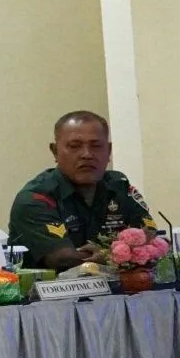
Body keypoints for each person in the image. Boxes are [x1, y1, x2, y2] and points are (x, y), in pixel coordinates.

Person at [8, 111, 156, 271]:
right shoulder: (35, 198)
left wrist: (107, 255)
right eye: (74, 146)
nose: (87, 154)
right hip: (53, 286)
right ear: (55, 151)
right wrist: (114, 255)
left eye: (96, 146)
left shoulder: (119, 186)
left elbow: (151, 240)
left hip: (122, 285)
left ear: (109, 151)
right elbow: (62, 260)